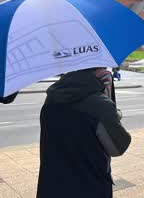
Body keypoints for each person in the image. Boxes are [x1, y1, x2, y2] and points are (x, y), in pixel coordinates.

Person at [37, 68, 131, 198]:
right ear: (98, 74)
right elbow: (119, 147)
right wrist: (114, 115)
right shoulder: (99, 105)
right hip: (90, 185)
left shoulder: (51, 99)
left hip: (52, 185)